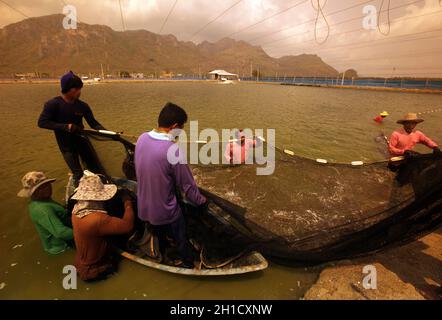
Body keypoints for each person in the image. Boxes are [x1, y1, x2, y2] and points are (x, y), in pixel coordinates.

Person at [135, 102, 207, 269]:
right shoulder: (173, 150)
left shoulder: (142, 138)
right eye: (181, 129)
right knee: (181, 236)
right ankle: (189, 265)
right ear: (174, 127)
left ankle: (162, 252)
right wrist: (203, 202)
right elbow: (188, 188)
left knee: (160, 233)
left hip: (144, 208)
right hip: (165, 212)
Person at [38, 71, 106, 186]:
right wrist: (65, 126)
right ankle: (78, 194)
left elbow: (93, 123)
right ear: (68, 89)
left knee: (96, 168)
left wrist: (108, 132)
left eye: (79, 89)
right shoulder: (53, 104)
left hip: (83, 142)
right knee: (78, 173)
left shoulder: (82, 106)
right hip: (67, 147)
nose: (79, 92)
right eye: (76, 89)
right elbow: (42, 122)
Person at [71, 172, 134, 281]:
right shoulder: (97, 219)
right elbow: (128, 226)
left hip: (79, 264)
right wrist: (128, 203)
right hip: (94, 269)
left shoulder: (76, 211)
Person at [17, 171, 73, 255]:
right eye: (42, 187)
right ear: (33, 192)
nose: (48, 188)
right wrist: (86, 231)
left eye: (47, 184)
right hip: (61, 248)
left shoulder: (41, 201)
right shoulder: (42, 209)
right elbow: (61, 233)